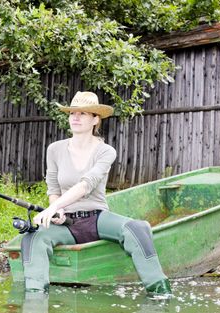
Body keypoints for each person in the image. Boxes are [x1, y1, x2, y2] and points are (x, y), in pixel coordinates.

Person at [20, 91, 172, 297]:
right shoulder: (55, 149)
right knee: (32, 238)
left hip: (97, 218)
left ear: (95, 119)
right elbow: (54, 189)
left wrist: (52, 208)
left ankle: (160, 293)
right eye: (72, 113)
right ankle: (35, 297)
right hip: (67, 223)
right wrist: (58, 211)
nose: (75, 117)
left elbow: (87, 184)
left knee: (136, 228)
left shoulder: (106, 151)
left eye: (83, 113)